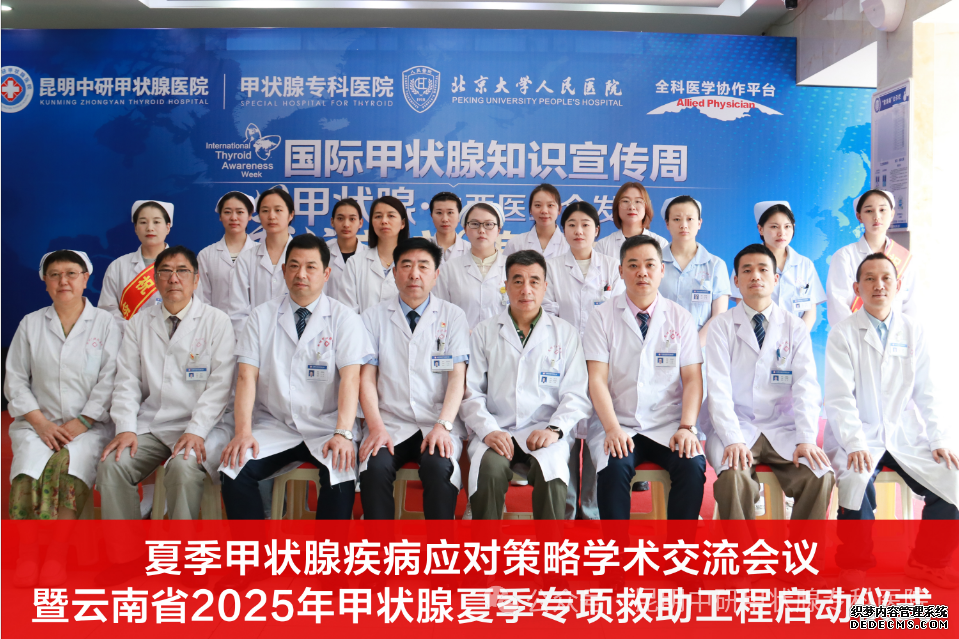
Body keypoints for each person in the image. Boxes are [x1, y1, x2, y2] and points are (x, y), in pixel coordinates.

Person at [825, 253, 959, 587]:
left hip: (904, 436)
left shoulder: (914, 331)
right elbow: (839, 397)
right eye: (869, 278)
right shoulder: (842, 333)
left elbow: (929, 390)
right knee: (856, 480)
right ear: (856, 287)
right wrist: (854, 442)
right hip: (859, 433)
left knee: (952, 478)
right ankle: (854, 564)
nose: (879, 285)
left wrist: (940, 438)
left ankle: (927, 562)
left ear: (898, 285)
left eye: (886, 278)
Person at [219, 234, 373, 520]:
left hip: (328, 425)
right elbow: (246, 378)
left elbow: (351, 380)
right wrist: (243, 432)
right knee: (233, 469)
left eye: (311, 267)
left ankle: (327, 550)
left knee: (340, 472)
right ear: (283, 270)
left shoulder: (344, 319)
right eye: (294, 266)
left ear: (326, 273)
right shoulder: (261, 316)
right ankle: (253, 548)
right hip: (275, 424)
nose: (301, 274)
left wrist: (342, 433)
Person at [97, 246, 236, 520]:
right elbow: (127, 381)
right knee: (113, 465)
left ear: (196, 279)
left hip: (204, 425)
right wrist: (125, 428)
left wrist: (196, 430)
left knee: (183, 469)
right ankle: (124, 545)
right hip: (154, 423)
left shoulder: (217, 321)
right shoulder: (139, 322)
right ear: (155, 279)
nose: (174, 278)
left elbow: (220, 386)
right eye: (166, 272)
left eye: (182, 271)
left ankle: (180, 545)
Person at [703, 244, 834, 520]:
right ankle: (741, 548)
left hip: (783, 427)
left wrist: (806, 439)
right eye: (747, 270)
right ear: (736, 281)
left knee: (820, 475)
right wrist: (732, 439)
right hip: (736, 424)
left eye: (763, 270)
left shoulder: (794, 326)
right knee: (733, 477)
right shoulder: (721, 326)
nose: (755, 276)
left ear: (775, 279)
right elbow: (718, 389)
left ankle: (801, 547)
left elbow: (806, 387)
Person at [461, 250, 592, 520]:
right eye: (518, 281)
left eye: (534, 281)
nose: (526, 290)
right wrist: (488, 430)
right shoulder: (484, 332)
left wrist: (554, 430)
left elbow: (576, 394)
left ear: (545, 286)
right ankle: (486, 546)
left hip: (544, 430)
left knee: (551, 476)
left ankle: (550, 547)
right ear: (506, 285)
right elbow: (471, 392)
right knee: (489, 470)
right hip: (498, 429)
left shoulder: (565, 333)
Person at [585, 235, 706, 520]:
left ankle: (679, 546)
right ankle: (617, 548)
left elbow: (692, 379)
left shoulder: (680, 317)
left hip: (669, 424)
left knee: (692, 466)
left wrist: (686, 427)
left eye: (650, 265)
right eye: (633, 265)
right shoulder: (601, 316)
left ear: (662, 270)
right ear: (620, 271)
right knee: (614, 468)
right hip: (618, 422)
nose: (642, 272)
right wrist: (612, 428)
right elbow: (596, 379)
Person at [358, 238, 470, 519]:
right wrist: (376, 427)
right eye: (406, 265)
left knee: (439, 467)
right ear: (395, 272)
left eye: (423, 266)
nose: (414, 274)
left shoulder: (453, 316)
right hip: (389, 422)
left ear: (436, 274)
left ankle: (440, 547)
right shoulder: (373, 317)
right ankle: (380, 546)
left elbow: (457, 378)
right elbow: (366, 378)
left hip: (437, 420)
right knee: (374, 469)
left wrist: (443, 425)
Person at [6, 251, 121, 521]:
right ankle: (28, 545)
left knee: (67, 469)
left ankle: (56, 546)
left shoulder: (106, 323)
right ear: (45, 281)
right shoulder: (30, 324)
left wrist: (84, 420)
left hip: (90, 427)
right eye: (55, 275)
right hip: (37, 427)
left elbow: (112, 378)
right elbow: (15, 380)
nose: (63, 281)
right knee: (28, 474)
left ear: (85, 279)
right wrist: (41, 424)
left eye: (71, 274)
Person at [543, 201, 623, 520]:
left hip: (604, 360)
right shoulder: (550, 267)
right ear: (563, 230)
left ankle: (590, 509)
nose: (579, 230)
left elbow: (619, 312)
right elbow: (547, 314)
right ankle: (566, 509)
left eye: (586, 224)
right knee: (564, 432)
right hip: (561, 360)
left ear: (597, 230)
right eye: (572, 225)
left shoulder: (613, 266)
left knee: (597, 431)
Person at [826, 189, 917, 327]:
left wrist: (902, 335)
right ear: (859, 216)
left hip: (896, 335)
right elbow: (838, 305)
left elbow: (911, 306)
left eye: (882, 210)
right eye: (869, 211)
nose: (876, 216)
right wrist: (856, 336)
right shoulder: (845, 256)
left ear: (892, 214)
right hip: (855, 335)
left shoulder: (905, 258)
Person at [729, 202, 825, 332]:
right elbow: (742, 306)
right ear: (760, 229)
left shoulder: (805, 265)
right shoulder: (746, 261)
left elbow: (810, 312)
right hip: (758, 335)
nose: (782, 233)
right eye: (774, 226)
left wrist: (797, 339)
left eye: (787, 226)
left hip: (797, 338)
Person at [659, 196, 730, 347]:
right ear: (667, 224)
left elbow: (719, 316)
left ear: (699, 223)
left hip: (701, 351)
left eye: (690, 219)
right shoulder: (654, 263)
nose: (684, 225)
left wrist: (692, 348)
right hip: (660, 348)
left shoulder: (716, 265)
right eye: (677, 219)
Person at [227, 187, 295, 335]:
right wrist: (256, 341)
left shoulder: (305, 257)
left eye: (278, 210)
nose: (271, 216)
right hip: (255, 341)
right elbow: (237, 313)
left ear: (291, 214)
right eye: (265, 210)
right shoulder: (246, 259)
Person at [434, 202, 510, 330]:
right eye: (474, 224)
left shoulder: (512, 267)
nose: (481, 230)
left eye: (489, 224)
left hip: (502, 340)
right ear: (465, 229)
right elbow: (439, 312)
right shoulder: (449, 269)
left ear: (498, 230)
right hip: (461, 340)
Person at [98, 200, 173, 325]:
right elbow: (107, 310)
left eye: (156, 222)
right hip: (126, 335)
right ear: (136, 228)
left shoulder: (183, 265)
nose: (150, 228)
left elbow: (195, 308)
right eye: (143, 222)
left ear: (167, 227)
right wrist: (133, 331)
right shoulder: (118, 266)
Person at [341, 195, 408, 314]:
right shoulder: (355, 263)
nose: (384, 221)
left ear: (402, 223)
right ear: (372, 222)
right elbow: (347, 312)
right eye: (378, 216)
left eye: (391, 216)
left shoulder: (413, 263)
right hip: (363, 326)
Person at [197, 191, 256, 312]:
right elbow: (203, 298)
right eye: (227, 212)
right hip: (215, 322)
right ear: (220, 216)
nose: (233, 217)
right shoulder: (206, 255)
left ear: (250, 215)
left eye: (240, 212)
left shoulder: (260, 253)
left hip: (253, 323)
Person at [594, 182, 668, 259]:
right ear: (617, 207)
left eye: (638, 201)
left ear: (646, 207)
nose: (632, 207)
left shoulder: (661, 244)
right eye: (625, 201)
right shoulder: (603, 246)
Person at [503, 184, 569, 259]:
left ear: (559, 209)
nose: (544, 211)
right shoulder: (515, 244)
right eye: (538, 205)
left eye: (550, 205)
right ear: (530, 209)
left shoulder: (570, 244)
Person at [324, 197, 366, 304]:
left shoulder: (370, 255)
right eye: (340, 218)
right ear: (332, 222)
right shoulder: (323, 253)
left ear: (360, 223)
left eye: (352, 219)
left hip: (362, 314)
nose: (346, 224)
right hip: (329, 313)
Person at [429, 191, 471, 263]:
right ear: (432, 216)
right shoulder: (422, 249)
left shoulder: (470, 250)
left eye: (450, 212)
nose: (445, 219)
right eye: (439, 213)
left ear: (459, 216)